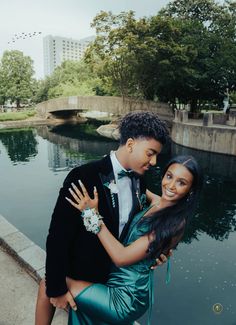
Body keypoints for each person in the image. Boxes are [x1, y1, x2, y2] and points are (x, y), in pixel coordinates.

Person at [35, 111, 170, 325]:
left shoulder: (140, 182)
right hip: (82, 272)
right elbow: (57, 236)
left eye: (156, 156)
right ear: (131, 144)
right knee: (47, 285)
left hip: (113, 279)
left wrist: (154, 252)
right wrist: (57, 288)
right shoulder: (84, 176)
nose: (153, 162)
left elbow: (133, 228)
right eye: (150, 153)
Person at [65, 155, 202, 325]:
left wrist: (92, 214)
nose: (171, 186)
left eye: (181, 183)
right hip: (112, 280)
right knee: (82, 312)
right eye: (169, 176)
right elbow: (130, 183)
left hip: (126, 298)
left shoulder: (174, 223)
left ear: (191, 190)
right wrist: (111, 164)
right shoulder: (157, 201)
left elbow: (121, 258)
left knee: (53, 283)